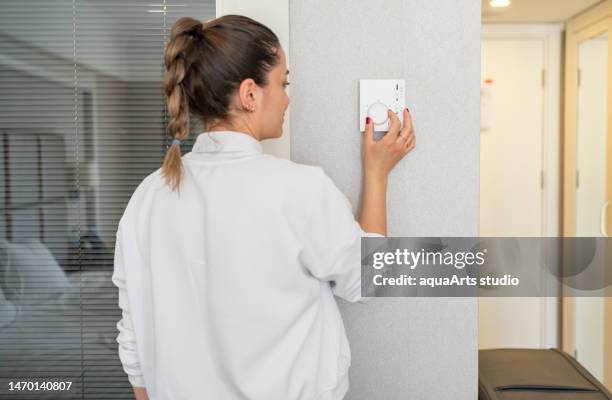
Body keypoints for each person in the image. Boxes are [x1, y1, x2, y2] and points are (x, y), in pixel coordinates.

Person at [112, 14, 415, 400]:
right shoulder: (299, 189)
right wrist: (377, 173)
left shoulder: (147, 198)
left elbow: (134, 336)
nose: (288, 97)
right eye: (283, 82)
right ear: (250, 94)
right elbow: (372, 278)